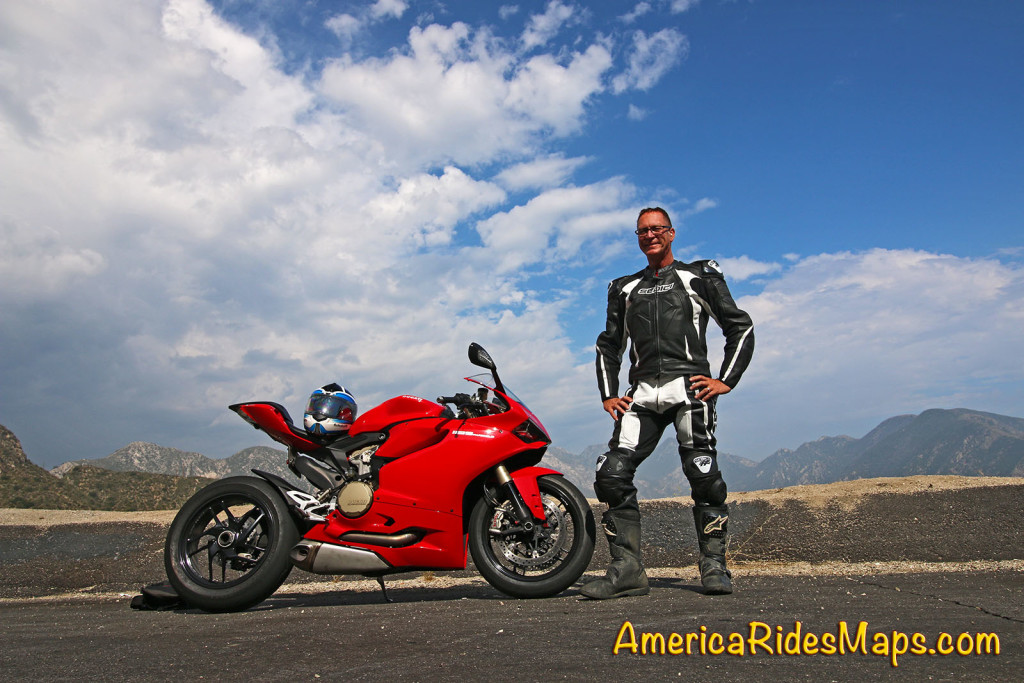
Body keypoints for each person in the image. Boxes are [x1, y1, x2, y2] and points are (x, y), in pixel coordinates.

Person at [581, 206, 754, 600]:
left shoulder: (699, 276)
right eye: (643, 231)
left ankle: (714, 566)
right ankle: (627, 571)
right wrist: (608, 393)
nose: (650, 235)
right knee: (611, 474)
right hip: (640, 393)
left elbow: (739, 325)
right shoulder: (624, 288)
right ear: (637, 237)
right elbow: (609, 345)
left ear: (671, 233)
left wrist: (725, 380)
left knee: (702, 473)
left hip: (688, 389)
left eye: (657, 229)